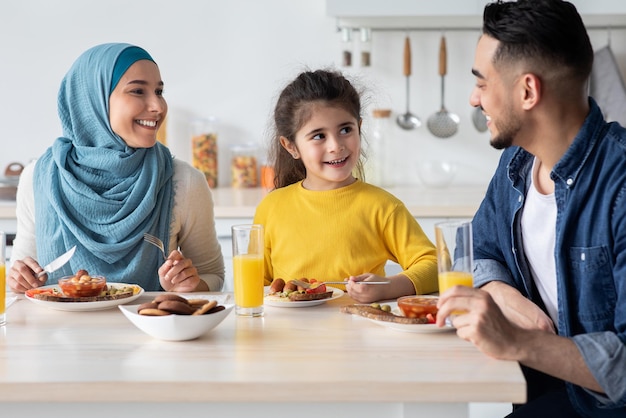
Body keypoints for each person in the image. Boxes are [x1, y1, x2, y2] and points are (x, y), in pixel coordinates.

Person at [436, 1, 626, 416]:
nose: (473, 99)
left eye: (482, 83)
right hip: (544, 397)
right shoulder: (516, 164)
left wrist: (517, 340)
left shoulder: (621, 186)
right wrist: (499, 292)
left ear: (527, 91)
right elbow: (474, 250)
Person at [8, 43, 224, 293]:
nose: (158, 106)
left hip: (149, 330)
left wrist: (191, 284)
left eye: (159, 91)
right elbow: (19, 279)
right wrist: (19, 279)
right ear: (92, 100)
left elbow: (214, 275)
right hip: (59, 332)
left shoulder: (183, 181)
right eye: (138, 91)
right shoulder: (39, 178)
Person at [253, 69, 437, 304]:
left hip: (360, 333)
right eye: (319, 136)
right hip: (288, 336)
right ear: (291, 147)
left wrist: (389, 286)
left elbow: (435, 265)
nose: (336, 146)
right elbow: (258, 284)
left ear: (359, 128)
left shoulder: (382, 206)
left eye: (345, 130)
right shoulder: (271, 208)